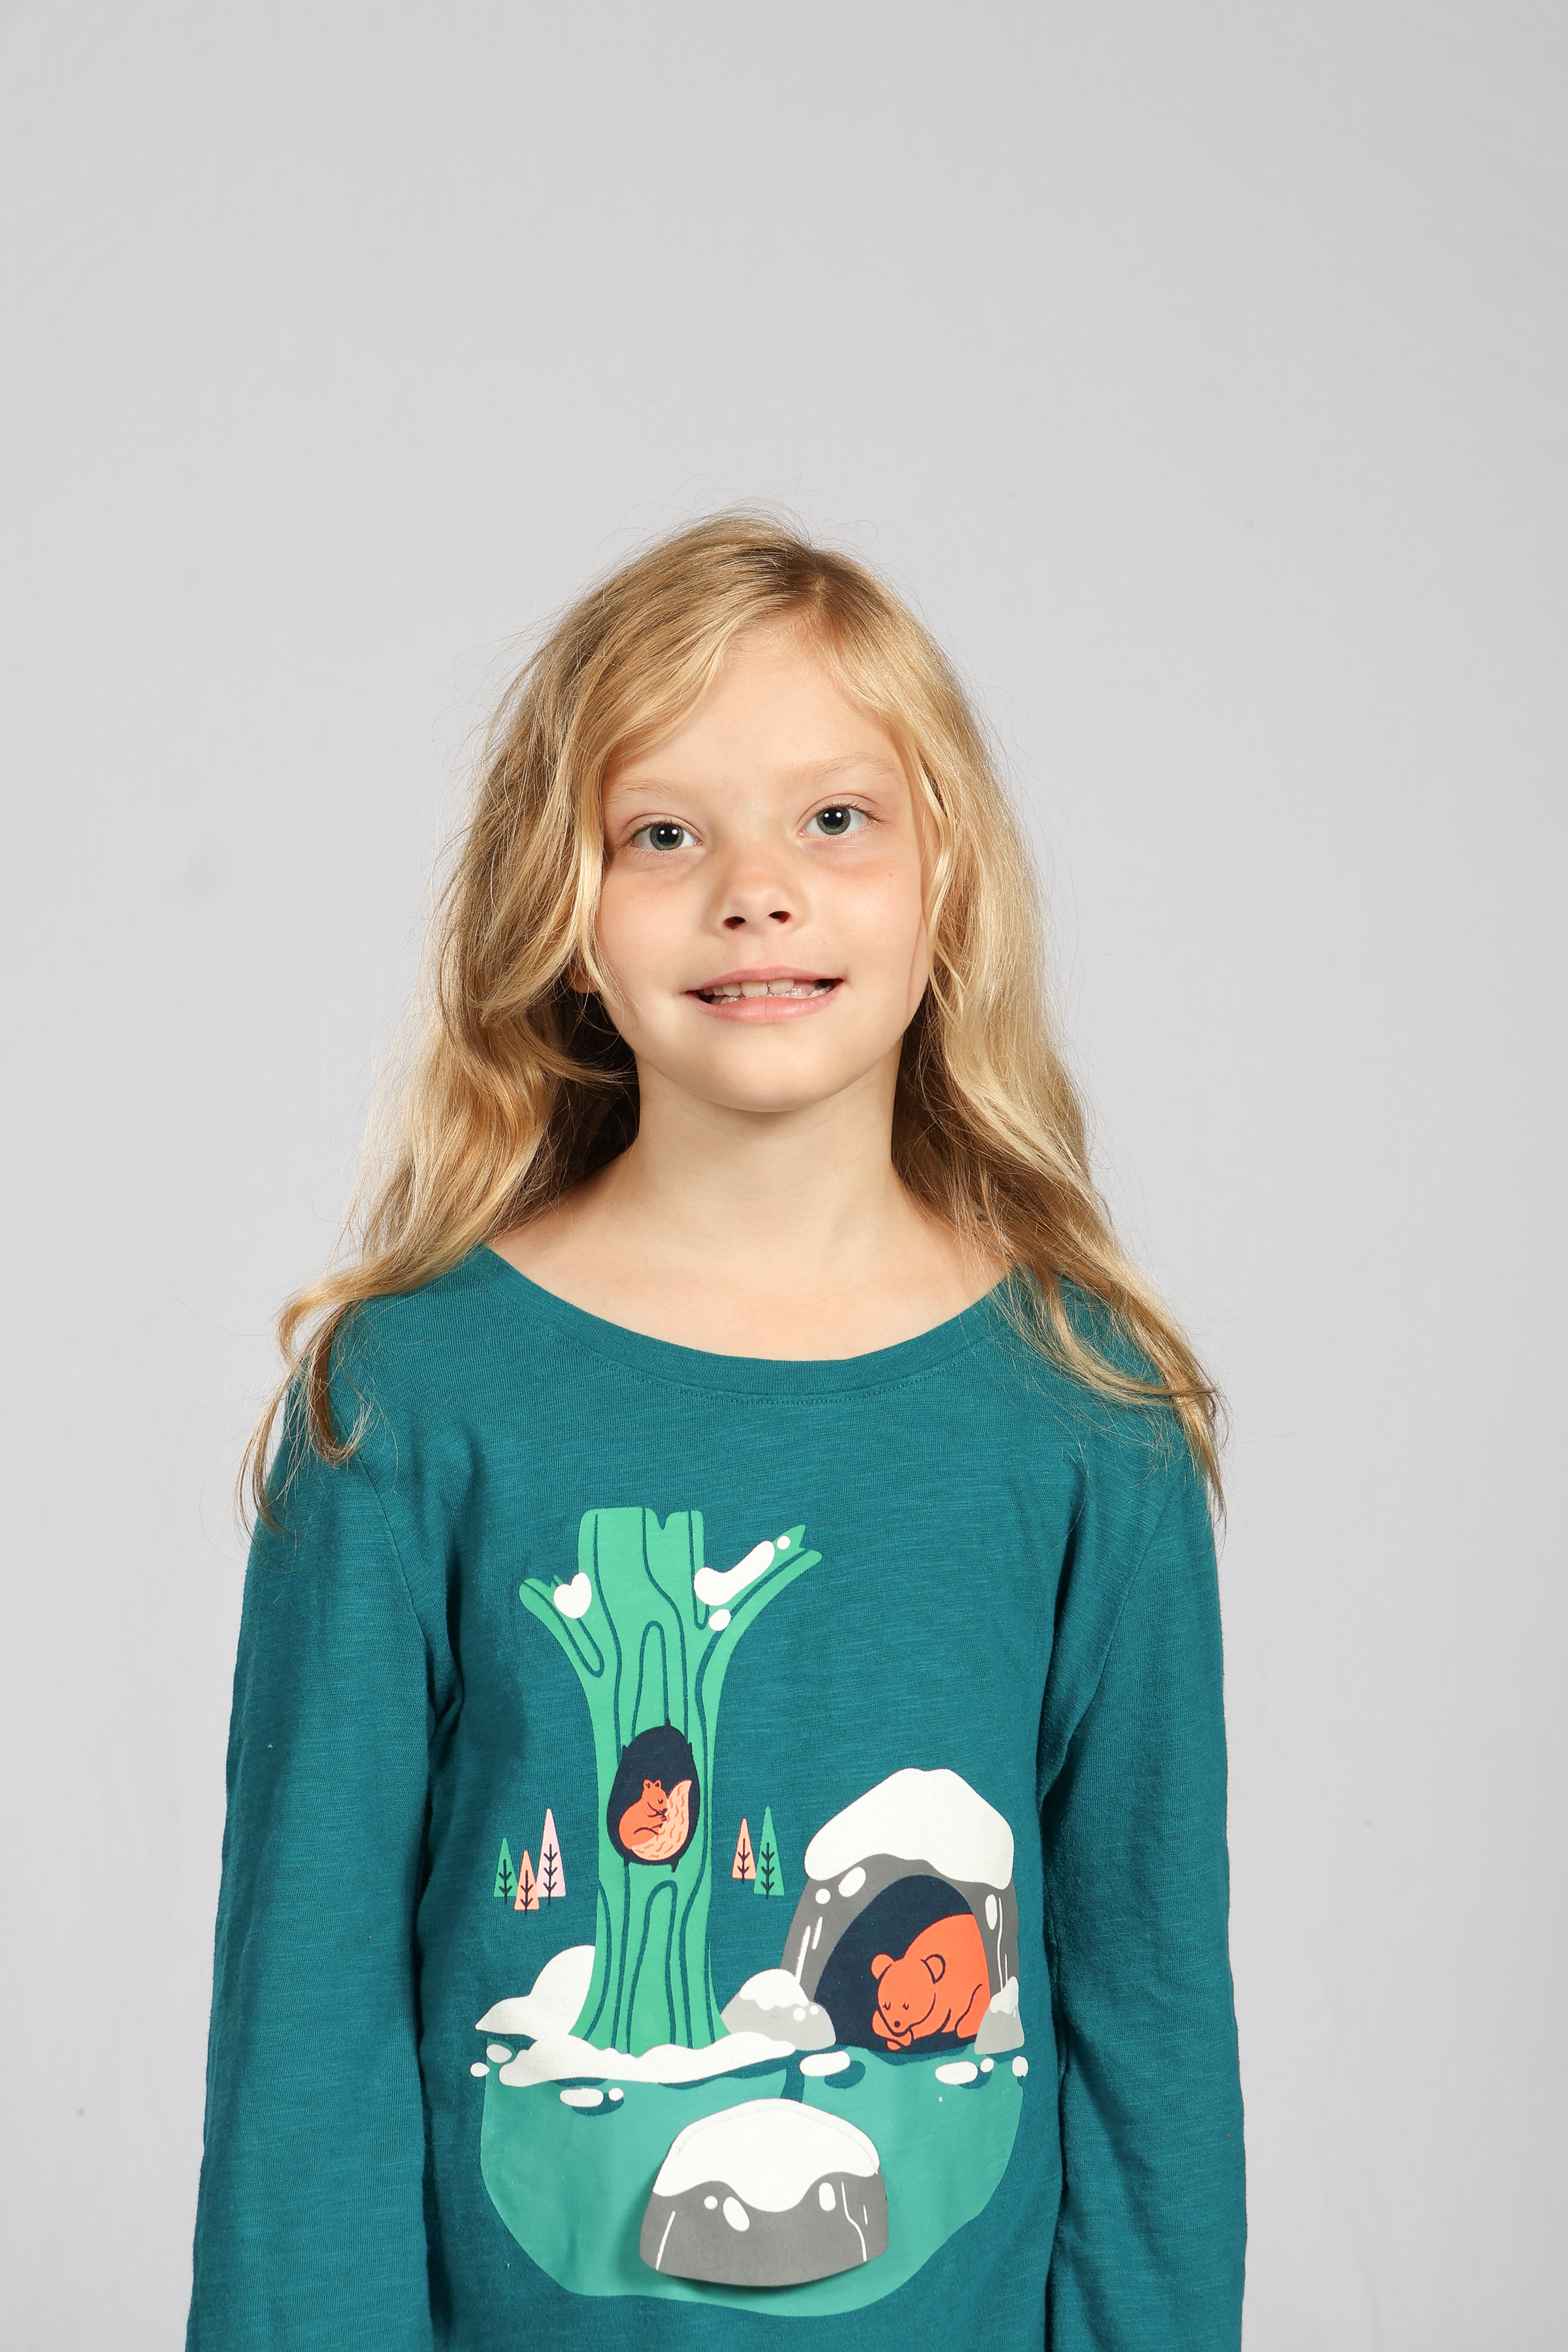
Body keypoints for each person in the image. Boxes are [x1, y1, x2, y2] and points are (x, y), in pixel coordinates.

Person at [188, 514, 1245, 2349]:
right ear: (566, 920)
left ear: (947, 884)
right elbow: (308, 2027)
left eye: (836, 818)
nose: (757, 891)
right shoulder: (410, 1402)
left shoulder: (1091, 1412)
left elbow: (1149, 2029)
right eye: (664, 833)